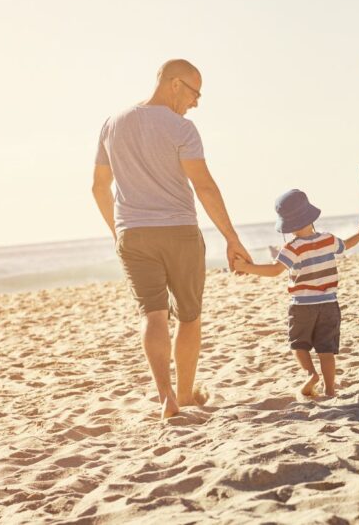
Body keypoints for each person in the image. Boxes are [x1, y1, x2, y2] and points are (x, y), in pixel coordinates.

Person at [92, 59, 250, 419]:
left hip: (133, 234)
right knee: (189, 317)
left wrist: (119, 232)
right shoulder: (183, 129)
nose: (196, 102)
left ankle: (166, 397)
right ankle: (186, 395)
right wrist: (231, 237)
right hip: (179, 231)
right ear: (175, 84)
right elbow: (205, 186)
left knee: (153, 314)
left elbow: (99, 187)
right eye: (196, 93)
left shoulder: (112, 124)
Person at [232, 190, 359, 398]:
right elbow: (349, 244)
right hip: (329, 304)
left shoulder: (292, 248)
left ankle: (310, 375)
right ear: (310, 216)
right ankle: (330, 390)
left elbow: (274, 270)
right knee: (326, 350)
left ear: (287, 225)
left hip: (302, 305)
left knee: (298, 345)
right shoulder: (328, 240)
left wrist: (247, 267)